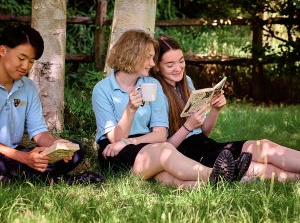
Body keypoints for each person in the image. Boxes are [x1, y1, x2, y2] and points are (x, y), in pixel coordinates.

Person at [92, 29, 241, 188]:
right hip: (114, 152)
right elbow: (116, 139)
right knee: (163, 151)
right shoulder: (102, 90)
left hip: (145, 148)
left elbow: (160, 135)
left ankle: (215, 182)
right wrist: (130, 109)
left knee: (166, 176)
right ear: (132, 55)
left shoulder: (151, 84)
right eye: (148, 57)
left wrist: (131, 141)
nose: (152, 63)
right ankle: (215, 174)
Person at [155, 34, 300, 182]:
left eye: (181, 61)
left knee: (264, 146)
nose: (178, 68)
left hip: (206, 145)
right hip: (186, 156)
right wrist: (188, 126)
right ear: (157, 66)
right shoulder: (156, 91)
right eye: (170, 65)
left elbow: (204, 132)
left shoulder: (186, 82)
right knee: (257, 167)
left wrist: (216, 109)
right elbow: (162, 150)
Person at [0, 25, 102, 185]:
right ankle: (64, 180)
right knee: (13, 162)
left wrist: (56, 145)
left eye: (31, 61)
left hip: (14, 154)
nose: (26, 66)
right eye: (21, 58)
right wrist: (23, 158)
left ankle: (12, 178)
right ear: (2, 51)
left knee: (76, 148)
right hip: (8, 156)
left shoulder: (27, 86)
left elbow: (38, 131)